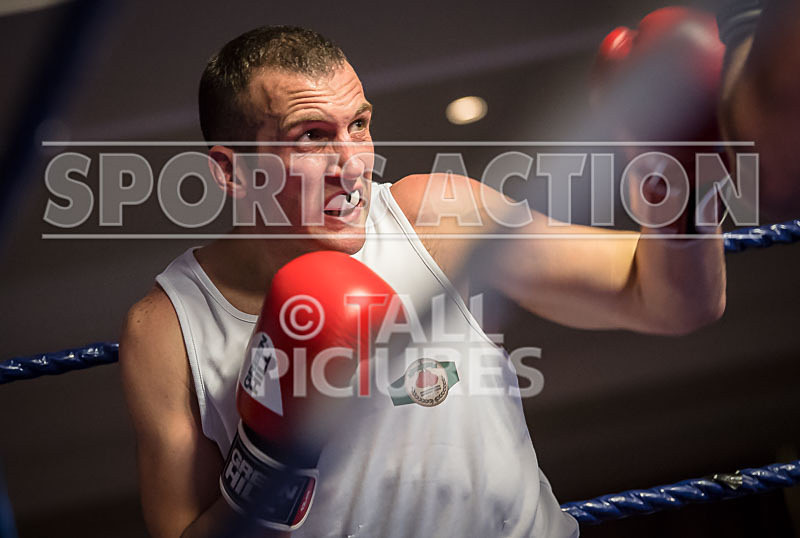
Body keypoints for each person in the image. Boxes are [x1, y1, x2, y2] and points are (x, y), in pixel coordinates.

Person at [119, 25, 726, 537]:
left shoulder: (435, 218)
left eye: (359, 125)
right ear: (231, 172)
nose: (352, 164)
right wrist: (269, 459)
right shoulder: (170, 327)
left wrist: (679, 178)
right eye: (312, 137)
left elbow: (670, 303)